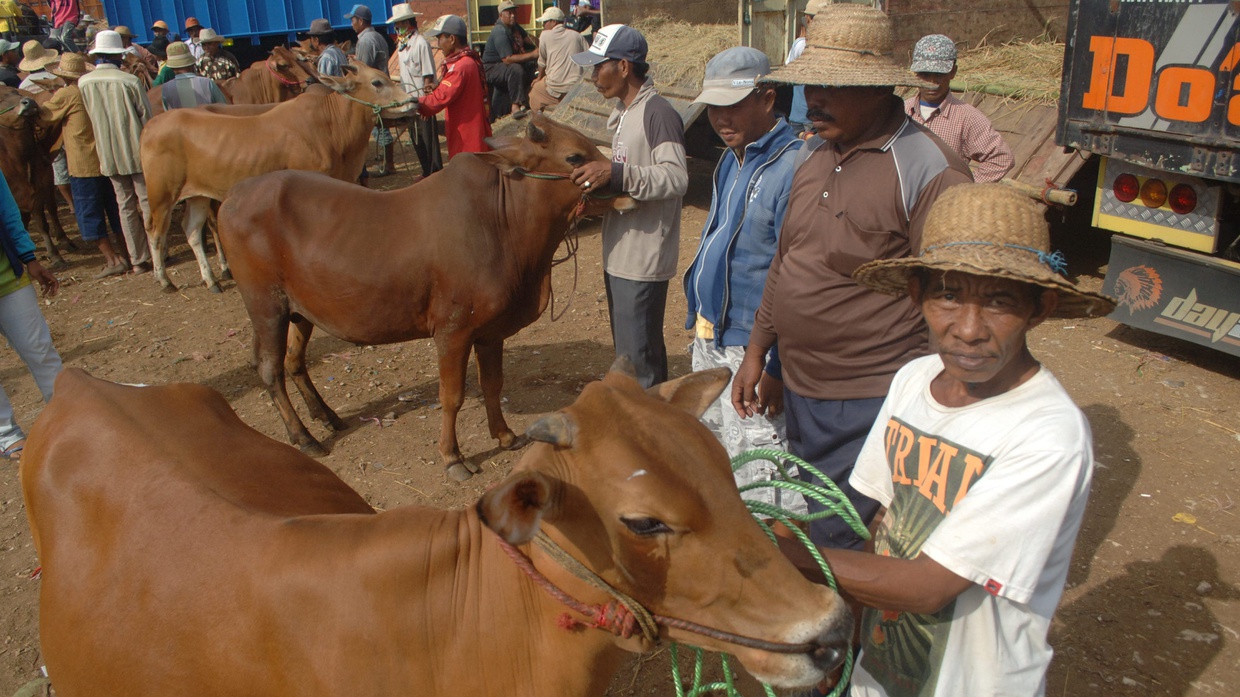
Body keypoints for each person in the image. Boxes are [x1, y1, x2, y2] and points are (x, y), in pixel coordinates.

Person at [780, 183, 1117, 696]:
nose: (968, 329)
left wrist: (778, 553)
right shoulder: (914, 379)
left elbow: (926, 586)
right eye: (947, 295)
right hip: (884, 669)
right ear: (917, 294)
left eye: (999, 301)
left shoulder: (1048, 435)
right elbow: (884, 524)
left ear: (1039, 308)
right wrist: (846, 640)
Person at [731, 4, 973, 551]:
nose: (813, 98)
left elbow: (954, 304)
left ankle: (853, 634)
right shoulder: (813, 152)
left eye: (833, 85)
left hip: (871, 396)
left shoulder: (929, 169)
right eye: (810, 82)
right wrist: (761, 357)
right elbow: (787, 261)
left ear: (880, 89)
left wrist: (940, 412)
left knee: (849, 542)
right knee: (820, 521)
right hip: (801, 387)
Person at [683, 46, 805, 515]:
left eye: (731, 105)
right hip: (713, 335)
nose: (719, 117)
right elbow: (717, 237)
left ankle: (780, 562)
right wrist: (698, 312)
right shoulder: (730, 159)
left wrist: (772, 361)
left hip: (751, 346)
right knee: (717, 451)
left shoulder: (793, 166)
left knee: (764, 464)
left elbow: (792, 273)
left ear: (768, 98)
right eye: (713, 106)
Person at [569, 24, 688, 388]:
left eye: (598, 67)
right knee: (628, 356)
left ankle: (650, 435)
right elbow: (627, 179)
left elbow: (676, 177)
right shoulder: (626, 113)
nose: (593, 77)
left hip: (643, 256)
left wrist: (616, 174)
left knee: (641, 363)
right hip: (621, 251)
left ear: (623, 67)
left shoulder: (657, 112)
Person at [39, 51, 130, 278]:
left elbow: (44, 116)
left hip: (83, 163)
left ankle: (112, 260)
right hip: (108, 158)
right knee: (116, 209)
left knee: (88, 214)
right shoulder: (93, 87)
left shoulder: (66, 93)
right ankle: (130, 254)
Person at [77, 30, 153, 274]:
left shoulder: (84, 83)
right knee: (146, 201)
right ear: (119, 56)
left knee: (125, 205)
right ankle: (157, 251)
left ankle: (138, 259)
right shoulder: (129, 81)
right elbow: (146, 117)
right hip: (136, 148)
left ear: (98, 55)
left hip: (107, 152)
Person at [0, 173, 62, 461]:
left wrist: (29, 258)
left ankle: (68, 414)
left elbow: (8, 210)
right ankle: (7, 434)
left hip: (8, 277)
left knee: (40, 349)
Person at [906, 34, 1015, 183]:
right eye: (925, 75)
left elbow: (1002, 158)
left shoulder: (967, 117)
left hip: (942, 202)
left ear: (953, 72)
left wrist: (963, 189)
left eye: (939, 74)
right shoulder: (901, 111)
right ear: (915, 74)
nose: (932, 82)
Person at [419, 15, 491, 159]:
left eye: (440, 38)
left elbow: (440, 98)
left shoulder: (460, 66)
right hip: (472, 132)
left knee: (466, 175)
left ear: (452, 39)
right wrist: (438, 87)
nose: (438, 43)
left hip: (466, 139)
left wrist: (414, 103)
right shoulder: (468, 61)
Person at [19, 41, 74, 220]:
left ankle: (71, 204)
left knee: (58, 170)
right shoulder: (57, 77)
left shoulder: (23, 87)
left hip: (43, 135)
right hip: (68, 127)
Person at [388, 3, 441, 177]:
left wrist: (427, 103)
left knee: (428, 139)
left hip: (422, 99)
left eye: (402, 24)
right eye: (398, 25)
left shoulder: (420, 43)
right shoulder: (402, 45)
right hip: (409, 99)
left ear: (410, 23)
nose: (399, 28)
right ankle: (426, 171)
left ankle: (434, 172)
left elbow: (427, 75)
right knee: (416, 138)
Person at [346, 4, 392, 178]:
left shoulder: (365, 40)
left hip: (373, 90)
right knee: (380, 127)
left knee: (378, 127)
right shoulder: (376, 36)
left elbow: (363, 71)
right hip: (380, 85)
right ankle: (388, 163)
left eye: (353, 20)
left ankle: (388, 164)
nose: (351, 23)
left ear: (361, 21)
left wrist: (354, 63)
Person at [482, 0, 537, 120]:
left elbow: (528, 39)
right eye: (509, 13)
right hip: (492, 67)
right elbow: (507, 59)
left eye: (514, 12)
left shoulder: (514, 26)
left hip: (503, 65)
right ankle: (515, 106)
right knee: (516, 69)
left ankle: (529, 98)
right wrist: (533, 54)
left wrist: (540, 44)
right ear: (501, 15)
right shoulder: (500, 31)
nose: (513, 15)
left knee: (532, 64)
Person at [529, 6, 587, 113]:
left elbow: (542, 61)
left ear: (553, 22)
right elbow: (588, 58)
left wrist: (539, 77)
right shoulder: (577, 36)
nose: (543, 26)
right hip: (576, 85)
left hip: (556, 86)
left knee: (534, 93)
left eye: (545, 22)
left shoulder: (545, 35)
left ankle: (540, 120)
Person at [785, 0, 829, 137]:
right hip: (826, 116)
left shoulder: (800, 45)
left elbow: (788, 73)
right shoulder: (835, 50)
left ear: (808, 19)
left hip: (801, 117)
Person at [159, 41, 226, 110]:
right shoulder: (207, 83)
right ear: (192, 64)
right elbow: (223, 109)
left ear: (172, 68)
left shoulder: (166, 89)